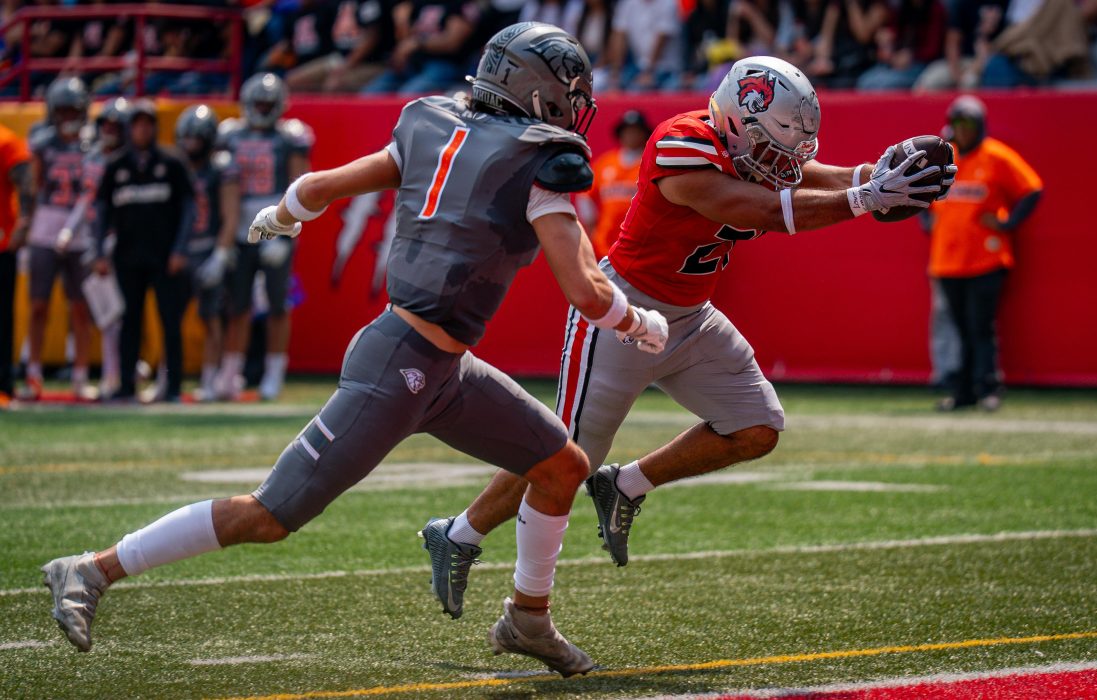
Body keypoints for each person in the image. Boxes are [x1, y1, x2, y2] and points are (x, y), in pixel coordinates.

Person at [41, 22, 669, 677]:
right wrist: (638, 323)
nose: (577, 105)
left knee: (562, 466)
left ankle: (528, 620)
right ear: (537, 91)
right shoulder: (541, 160)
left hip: (444, 367)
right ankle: (93, 569)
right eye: (571, 91)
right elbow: (587, 292)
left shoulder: (432, 124)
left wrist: (282, 214)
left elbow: (319, 188)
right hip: (400, 368)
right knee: (270, 515)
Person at [421, 56, 956, 618]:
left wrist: (872, 175)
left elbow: (800, 172)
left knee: (756, 427)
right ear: (735, 121)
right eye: (770, 145)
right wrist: (866, 197)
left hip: (692, 316)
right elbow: (757, 208)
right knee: (566, 457)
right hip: (624, 314)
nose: (781, 160)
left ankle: (626, 485)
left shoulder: (749, 143)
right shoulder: (682, 144)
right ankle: (458, 534)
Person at [927, 95, 1041, 412]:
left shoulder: (996, 156)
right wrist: (926, 217)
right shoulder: (944, 157)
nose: (962, 130)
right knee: (960, 329)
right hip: (947, 260)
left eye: (968, 124)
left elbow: (1032, 188)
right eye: (957, 123)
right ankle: (963, 393)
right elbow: (923, 191)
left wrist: (1008, 223)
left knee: (981, 327)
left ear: (979, 126)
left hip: (985, 259)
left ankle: (988, 388)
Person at [91, 99, 196, 403]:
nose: (142, 130)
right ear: (129, 128)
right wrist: (99, 253)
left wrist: (180, 249)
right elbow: (101, 211)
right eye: (137, 124)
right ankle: (127, 385)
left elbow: (188, 208)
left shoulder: (172, 163)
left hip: (164, 256)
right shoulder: (116, 166)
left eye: (148, 123)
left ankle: (172, 386)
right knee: (130, 321)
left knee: (169, 320)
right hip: (128, 256)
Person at [216, 73, 312, 402]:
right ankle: (231, 372)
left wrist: (285, 236)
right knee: (237, 305)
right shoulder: (230, 134)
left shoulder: (290, 136)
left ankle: (274, 374)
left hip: (275, 224)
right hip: (240, 226)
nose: (260, 110)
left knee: (277, 304)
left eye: (266, 104)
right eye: (257, 104)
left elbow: (299, 187)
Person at [22, 77, 95, 401]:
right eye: (62, 110)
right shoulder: (42, 142)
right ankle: (33, 372)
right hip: (46, 225)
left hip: (82, 229)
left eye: (73, 110)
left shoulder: (93, 143)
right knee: (38, 305)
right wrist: (27, 228)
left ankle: (80, 375)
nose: (68, 117)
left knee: (80, 306)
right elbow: (33, 187)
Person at [175, 105, 241, 402]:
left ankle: (210, 379)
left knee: (211, 318)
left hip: (207, 248)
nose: (191, 144)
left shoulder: (221, 167)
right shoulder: (176, 167)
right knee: (170, 318)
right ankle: (168, 378)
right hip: (180, 250)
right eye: (187, 138)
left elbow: (230, 214)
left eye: (196, 138)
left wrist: (220, 254)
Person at [79, 97, 133, 399]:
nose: (110, 131)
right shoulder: (92, 159)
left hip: (119, 240)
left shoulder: (127, 161)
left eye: (116, 126)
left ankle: (117, 372)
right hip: (94, 238)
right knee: (103, 314)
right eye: (106, 125)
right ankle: (112, 371)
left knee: (117, 314)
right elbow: (87, 202)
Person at [577, 109, 649, 259]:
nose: (631, 135)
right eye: (627, 131)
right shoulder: (606, 163)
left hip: (641, 245)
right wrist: (591, 225)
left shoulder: (650, 164)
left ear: (644, 134)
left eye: (636, 131)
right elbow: (585, 194)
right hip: (606, 244)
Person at [0, 121, 32, 409]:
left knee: (1, 318)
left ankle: (2, 385)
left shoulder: (6, 140)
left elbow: (26, 182)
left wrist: (24, 222)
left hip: (1, 244)